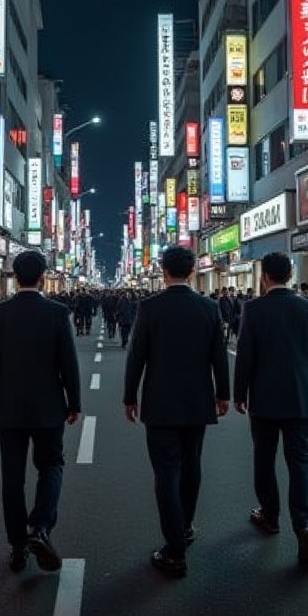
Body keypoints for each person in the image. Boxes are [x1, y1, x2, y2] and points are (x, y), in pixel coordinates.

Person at [123, 245, 230, 578]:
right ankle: (184, 528)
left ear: (163, 271)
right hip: (198, 400)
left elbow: (137, 355)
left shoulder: (149, 307)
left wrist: (130, 396)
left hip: (160, 402)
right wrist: (223, 393)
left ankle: (174, 549)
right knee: (192, 464)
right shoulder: (209, 307)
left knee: (166, 472)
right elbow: (219, 355)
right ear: (192, 272)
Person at [0, 250, 81, 574]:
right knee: (51, 465)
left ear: (14, 275)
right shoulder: (57, 312)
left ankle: (17, 547)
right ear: (42, 277)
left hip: (8, 407)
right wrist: (74, 402)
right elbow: (68, 364)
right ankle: (40, 527)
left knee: (12, 477)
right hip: (49, 405)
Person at [233, 252, 308, 566]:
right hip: (301, 398)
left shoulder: (254, 309)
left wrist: (238, 393)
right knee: (300, 462)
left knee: (264, 457)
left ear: (265, 276)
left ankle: (270, 515)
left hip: (264, 398)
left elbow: (244, 355)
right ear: (289, 275)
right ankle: (304, 524)